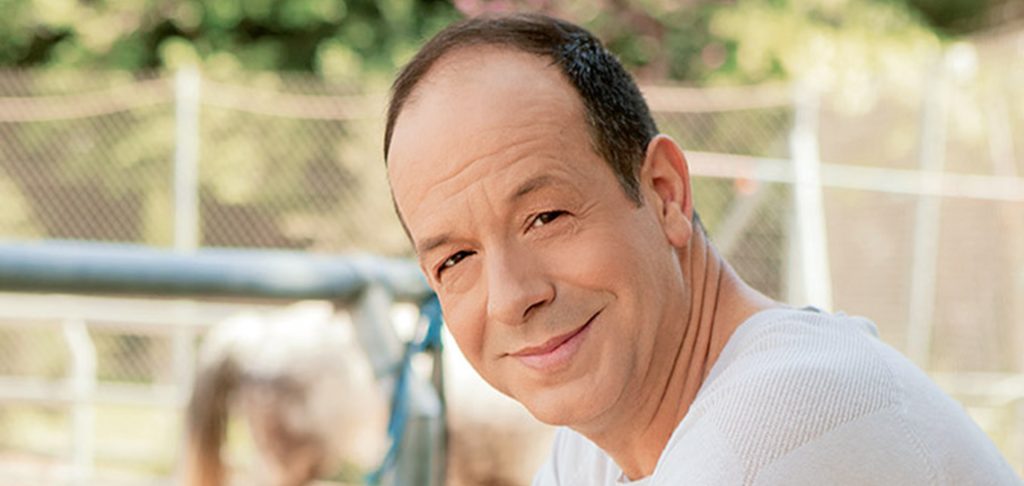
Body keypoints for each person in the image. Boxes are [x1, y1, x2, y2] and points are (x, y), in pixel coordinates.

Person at [383, 13, 1021, 485]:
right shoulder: (598, 448)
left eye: (546, 217)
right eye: (455, 260)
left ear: (665, 194)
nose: (511, 298)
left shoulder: (777, 429)